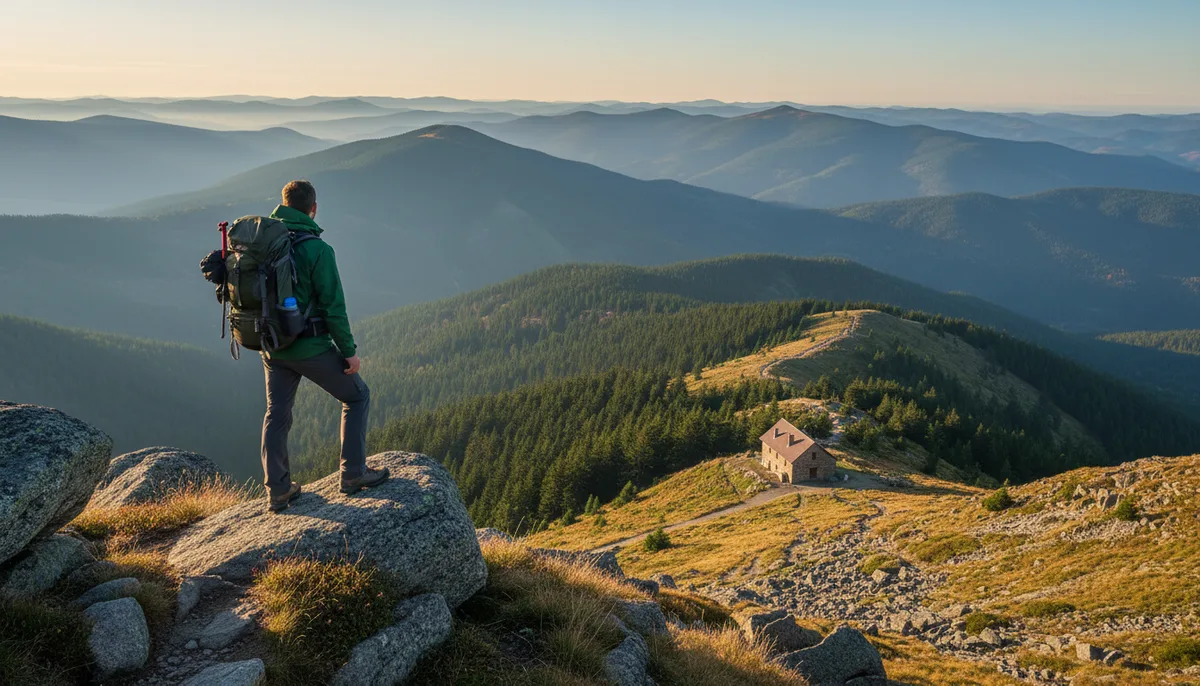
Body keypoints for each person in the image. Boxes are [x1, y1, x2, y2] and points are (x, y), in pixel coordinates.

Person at [258, 180, 388, 512]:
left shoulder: (264, 241)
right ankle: (354, 473)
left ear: (283, 204)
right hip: (309, 347)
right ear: (313, 208)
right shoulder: (318, 250)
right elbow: (333, 307)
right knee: (357, 396)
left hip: (272, 347)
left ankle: (278, 490)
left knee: (277, 414)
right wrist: (348, 351)